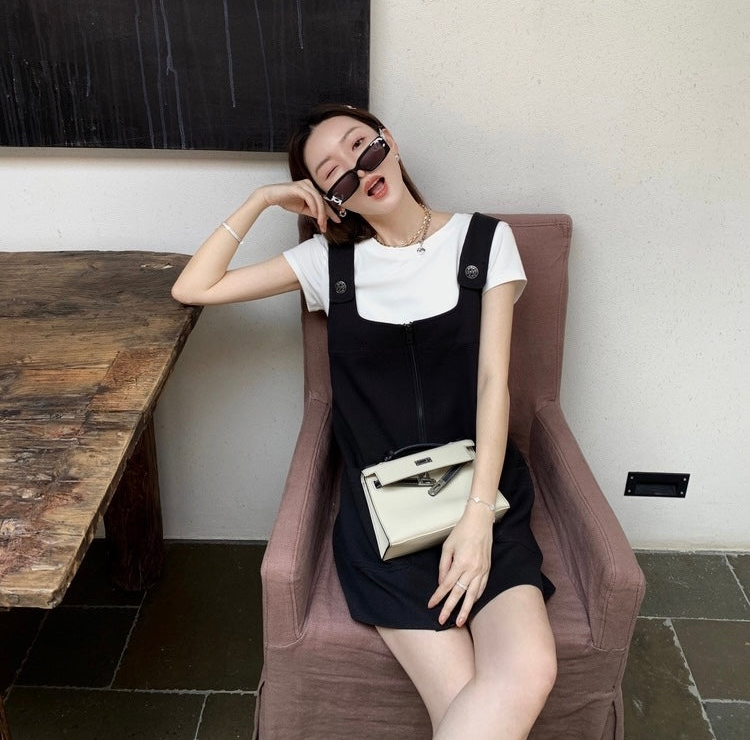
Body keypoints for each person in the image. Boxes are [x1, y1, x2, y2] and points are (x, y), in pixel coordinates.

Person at [172, 103, 557, 739]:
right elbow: (194, 288)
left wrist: (477, 520)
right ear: (330, 199)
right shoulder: (327, 264)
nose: (360, 170)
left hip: (482, 492)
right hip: (383, 516)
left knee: (528, 669)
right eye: (336, 175)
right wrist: (262, 201)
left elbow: (496, 383)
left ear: (389, 142)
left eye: (363, 147)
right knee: (464, 704)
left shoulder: (484, 241)